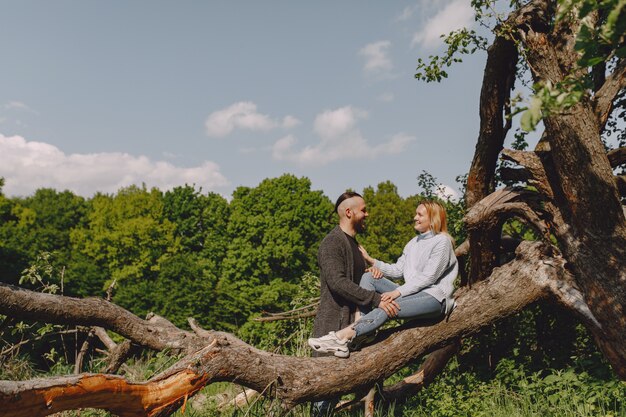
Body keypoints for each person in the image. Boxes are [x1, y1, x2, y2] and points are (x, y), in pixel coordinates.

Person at [308, 200, 457, 359]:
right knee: (369, 277)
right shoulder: (413, 243)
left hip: (434, 298)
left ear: (434, 218)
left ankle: (342, 337)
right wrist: (373, 261)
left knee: (385, 305)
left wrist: (396, 293)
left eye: (420, 214)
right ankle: (363, 333)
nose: (415, 217)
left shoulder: (442, 241)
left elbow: (428, 278)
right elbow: (399, 270)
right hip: (412, 295)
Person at [310, 191, 399, 417]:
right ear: (349, 212)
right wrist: (376, 299)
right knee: (324, 398)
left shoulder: (355, 246)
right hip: (334, 327)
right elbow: (337, 283)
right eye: (363, 210)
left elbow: (355, 282)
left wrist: (372, 275)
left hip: (354, 330)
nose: (367, 214)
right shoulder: (332, 243)